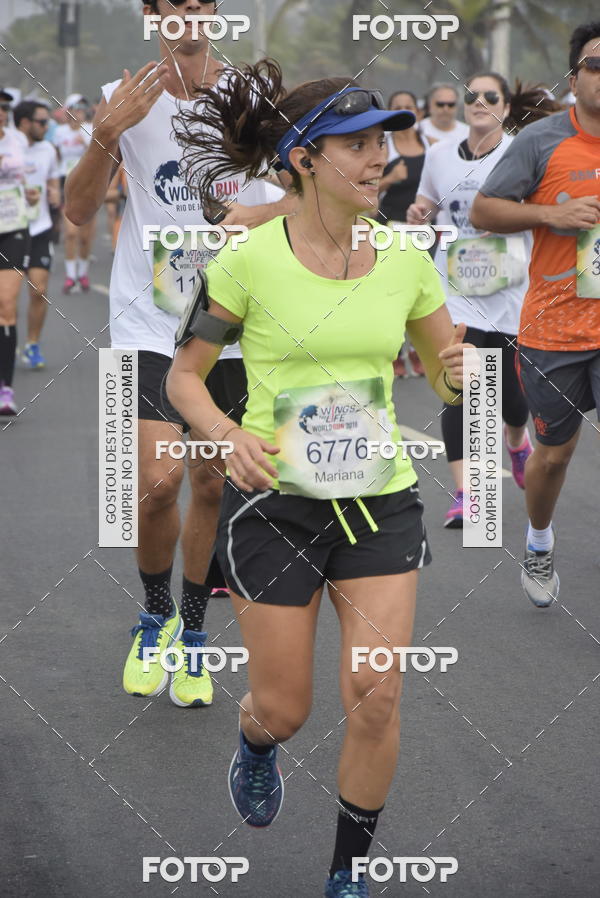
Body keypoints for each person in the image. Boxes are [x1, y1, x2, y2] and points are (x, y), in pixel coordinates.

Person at [167, 60, 473, 897]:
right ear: (305, 159)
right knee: (286, 708)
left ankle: (347, 875)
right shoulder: (248, 260)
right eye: (359, 144)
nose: (382, 158)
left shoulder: (406, 258)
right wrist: (225, 435)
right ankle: (256, 741)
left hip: (380, 502)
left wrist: (457, 370)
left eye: (385, 141)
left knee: (376, 693)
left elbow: (447, 382)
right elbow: (183, 377)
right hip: (274, 507)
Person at [65, 0, 294, 708]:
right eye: (174, 5)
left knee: (211, 485)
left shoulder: (251, 96)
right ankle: (152, 616)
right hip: (145, 314)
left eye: (201, 3)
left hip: (229, 317)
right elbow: (77, 212)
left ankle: (194, 635)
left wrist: (246, 216)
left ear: (214, 13)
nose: (188, 15)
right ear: (152, 13)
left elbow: (307, 190)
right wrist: (104, 136)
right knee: (158, 483)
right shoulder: (120, 98)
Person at [471, 21, 600, 606]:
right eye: (597, 65)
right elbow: (484, 211)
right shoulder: (542, 140)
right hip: (555, 327)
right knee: (554, 455)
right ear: (575, 78)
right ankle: (540, 541)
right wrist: (552, 215)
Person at [407, 73, 562, 526]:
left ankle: (516, 440)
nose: (478, 102)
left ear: (506, 106)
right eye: (471, 96)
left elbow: (540, 208)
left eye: (489, 96)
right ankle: (467, 494)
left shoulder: (522, 150)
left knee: (510, 396)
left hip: (511, 286)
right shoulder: (437, 154)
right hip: (455, 287)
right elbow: (427, 203)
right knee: (464, 383)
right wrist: (420, 213)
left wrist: (505, 218)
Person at [378, 90, 428, 377]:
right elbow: (368, 188)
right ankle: (396, 352)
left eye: (409, 107)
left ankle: (418, 348)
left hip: (423, 229)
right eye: (398, 108)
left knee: (421, 290)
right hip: (391, 226)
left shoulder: (430, 146)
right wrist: (390, 179)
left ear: (418, 113)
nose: (405, 112)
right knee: (395, 291)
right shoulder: (385, 148)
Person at [14, 100, 60, 369]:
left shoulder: (48, 150)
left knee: (38, 290)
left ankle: (32, 344)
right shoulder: (7, 147)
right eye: (42, 122)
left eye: (47, 122)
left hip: (40, 228)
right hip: (9, 229)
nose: (46, 127)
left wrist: (54, 193)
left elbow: (52, 180)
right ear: (24, 123)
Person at [0, 87, 32, 415]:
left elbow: (23, 179)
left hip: (13, 228)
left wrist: (32, 195)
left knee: (7, 306)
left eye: (4, 106)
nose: (0, 111)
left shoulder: (17, 141)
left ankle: (5, 389)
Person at [53, 94, 94, 292]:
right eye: (75, 108)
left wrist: (85, 143)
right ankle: (70, 276)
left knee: (85, 237)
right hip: (65, 182)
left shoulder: (90, 129)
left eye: (82, 108)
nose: (79, 112)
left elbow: (98, 156)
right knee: (70, 233)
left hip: (86, 184)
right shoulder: (59, 132)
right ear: (68, 110)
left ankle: (83, 273)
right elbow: (55, 156)